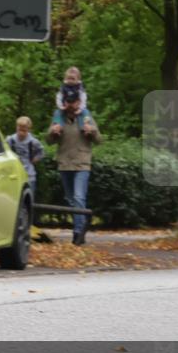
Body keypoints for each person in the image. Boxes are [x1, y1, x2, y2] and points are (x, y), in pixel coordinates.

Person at [47, 88, 102, 246]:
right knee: (71, 200)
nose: (71, 105)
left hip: (82, 162)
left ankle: (78, 233)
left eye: (74, 102)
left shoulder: (86, 116)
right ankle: (80, 227)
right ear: (65, 102)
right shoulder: (59, 117)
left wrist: (91, 132)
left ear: (78, 102)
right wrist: (53, 132)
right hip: (65, 162)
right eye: (68, 102)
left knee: (79, 197)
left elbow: (99, 139)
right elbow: (49, 140)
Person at [6, 116, 44, 199]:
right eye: (19, 130)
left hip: (29, 174)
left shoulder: (33, 142)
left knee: (28, 198)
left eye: (24, 131)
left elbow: (41, 152)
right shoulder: (10, 140)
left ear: (28, 130)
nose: (21, 133)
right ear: (16, 127)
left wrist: (35, 159)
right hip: (14, 174)